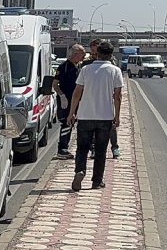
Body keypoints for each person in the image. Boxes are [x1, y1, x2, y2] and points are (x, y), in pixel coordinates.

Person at [68, 41, 123, 192]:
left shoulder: (85, 69)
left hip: (85, 116)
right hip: (105, 117)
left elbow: (77, 93)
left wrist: (72, 112)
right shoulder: (115, 71)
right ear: (111, 55)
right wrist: (117, 117)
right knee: (101, 151)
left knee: (82, 148)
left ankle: (80, 171)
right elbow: (117, 96)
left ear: (96, 53)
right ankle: (97, 181)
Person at [52, 44, 86, 159]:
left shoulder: (78, 66)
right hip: (66, 100)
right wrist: (61, 95)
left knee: (71, 122)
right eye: (82, 54)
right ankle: (62, 149)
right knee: (66, 122)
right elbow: (55, 84)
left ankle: (65, 147)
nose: (84, 56)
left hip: (76, 100)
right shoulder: (64, 67)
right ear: (75, 54)